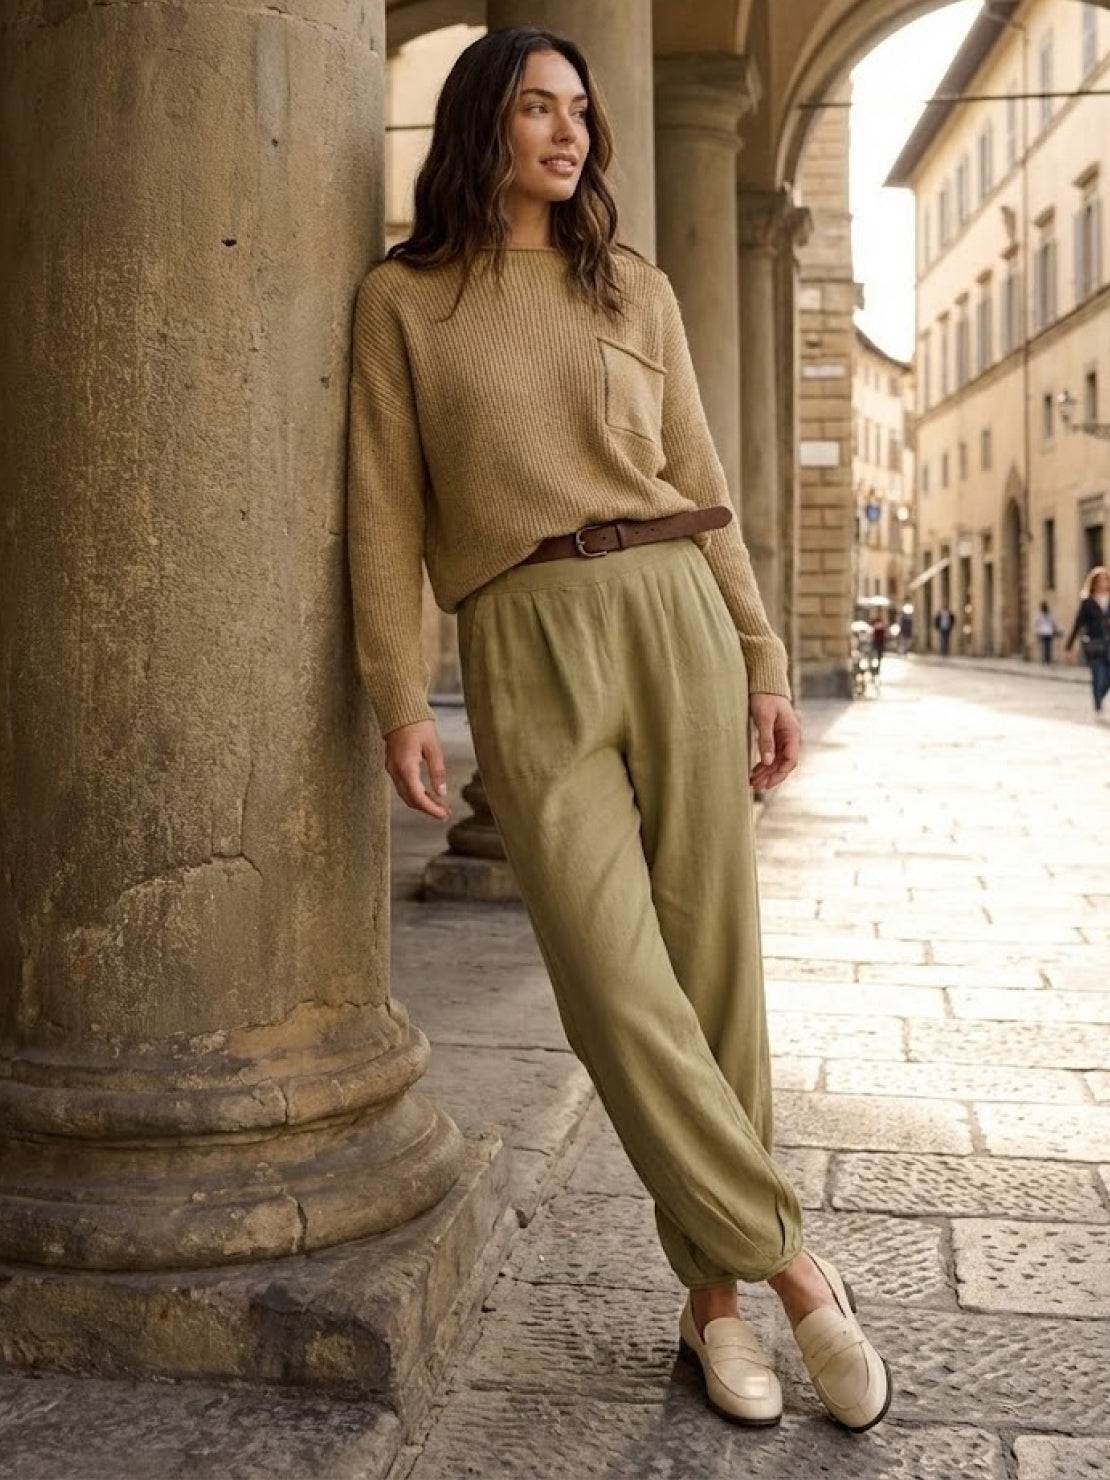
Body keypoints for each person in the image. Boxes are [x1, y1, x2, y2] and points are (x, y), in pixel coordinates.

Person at [345, 26, 890, 1435]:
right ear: (481, 125)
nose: (567, 132)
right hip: (523, 636)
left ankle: (714, 1311)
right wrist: (402, 690)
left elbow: (698, 484)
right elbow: (386, 509)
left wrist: (765, 663)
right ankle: (795, 1265)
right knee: (610, 982)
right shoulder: (403, 303)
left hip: (672, 615)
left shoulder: (629, 287)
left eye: (580, 111)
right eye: (536, 107)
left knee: (714, 973)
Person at [1064, 566, 1110, 716]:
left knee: (1107, 677)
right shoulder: (1087, 602)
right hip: (1095, 645)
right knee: (1098, 675)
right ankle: (1097, 701)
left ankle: (1100, 696)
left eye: (1106, 579)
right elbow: (1078, 624)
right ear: (1095, 582)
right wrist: (1069, 646)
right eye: (1102, 580)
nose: (1105, 583)